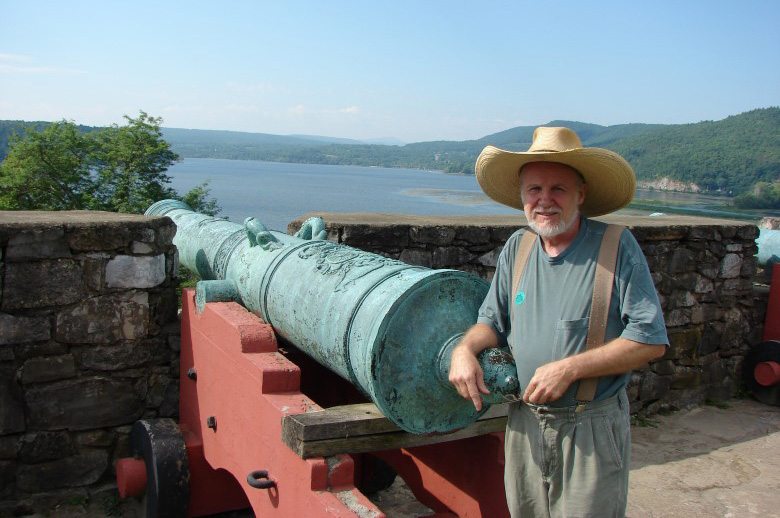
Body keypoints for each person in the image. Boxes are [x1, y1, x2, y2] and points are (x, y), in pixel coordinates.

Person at [449, 126, 668, 518]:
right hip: (524, 424)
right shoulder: (518, 247)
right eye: (534, 189)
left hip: (590, 429)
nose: (544, 201)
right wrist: (464, 350)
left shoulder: (616, 246)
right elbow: (491, 322)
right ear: (521, 195)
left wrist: (570, 368)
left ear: (581, 194)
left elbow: (649, 339)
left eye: (558, 189)